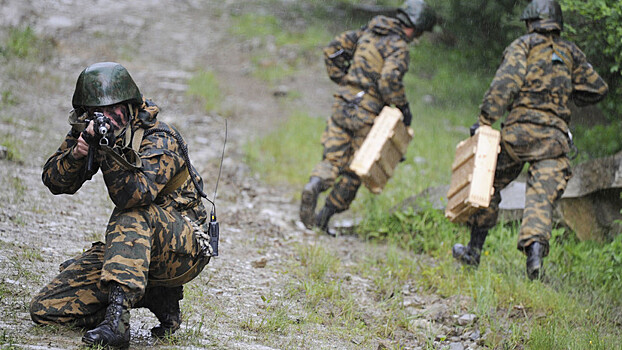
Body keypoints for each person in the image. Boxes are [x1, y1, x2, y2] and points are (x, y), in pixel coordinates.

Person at [29, 62, 213, 347]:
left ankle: (117, 323)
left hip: (183, 248)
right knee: (46, 309)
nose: (102, 119)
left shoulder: (160, 138)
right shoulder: (93, 128)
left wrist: (107, 151)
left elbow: (133, 196)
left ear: (129, 107)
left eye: (110, 111)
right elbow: (54, 181)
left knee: (131, 213)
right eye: (92, 112)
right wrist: (78, 154)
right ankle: (152, 294)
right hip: (137, 248)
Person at [452, 0, 608, 280]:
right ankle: (534, 260)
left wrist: (485, 120)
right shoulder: (571, 52)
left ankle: (473, 251)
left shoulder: (523, 45)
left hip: (517, 135)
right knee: (539, 200)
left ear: (531, 21)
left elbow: (505, 83)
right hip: (552, 140)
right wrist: (566, 92)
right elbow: (597, 88)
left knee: (486, 184)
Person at [299, 0, 436, 235]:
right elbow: (388, 81)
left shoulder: (368, 31)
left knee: (332, 159)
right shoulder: (398, 46)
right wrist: (403, 107)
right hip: (367, 113)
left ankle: (314, 185)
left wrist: (344, 80)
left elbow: (332, 51)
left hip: (343, 103)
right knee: (355, 169)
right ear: (414, 28)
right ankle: (324, 218)